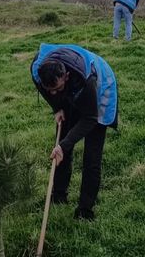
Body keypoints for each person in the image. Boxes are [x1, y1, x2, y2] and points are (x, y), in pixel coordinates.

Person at [31, 43, 118, 221]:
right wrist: (57, 107)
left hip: (100, 92)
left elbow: (90, 118)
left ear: (66, 76)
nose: (53, 93)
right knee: (62, 145)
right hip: (72, 91)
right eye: (50, 90)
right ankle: (59, 195)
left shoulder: (87, 80)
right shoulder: (38, 70)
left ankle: (85, 210)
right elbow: (47, 89)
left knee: (91, 157)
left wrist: (63, 145)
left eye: (57, 89)